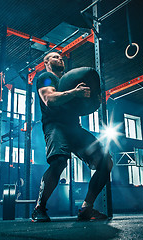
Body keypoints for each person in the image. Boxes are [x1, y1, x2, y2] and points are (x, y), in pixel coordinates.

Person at [32, 52, 113, 222]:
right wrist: (75, 93)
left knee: (106, 161)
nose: (60, 58)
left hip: (74, 127)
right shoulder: (46, 77)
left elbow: (81, 106)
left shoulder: (70, 83)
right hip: (55, 125)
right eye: (55, 57)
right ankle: (39, 208)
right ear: (46, 62)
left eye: (61, 56)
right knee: (59, 161)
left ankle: (86, 208)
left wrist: (94, 101)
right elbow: (49, 99)